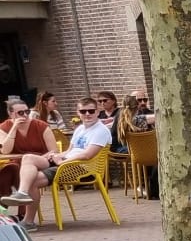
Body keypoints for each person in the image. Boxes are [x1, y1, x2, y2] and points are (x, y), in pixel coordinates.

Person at [4, 95, 113, 226]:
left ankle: (28, 220)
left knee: (31, 179)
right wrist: (56, 156)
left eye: (91, 111)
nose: (87, 114)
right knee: (28, 158)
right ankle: (22, 193)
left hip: (81, 167)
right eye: (83, 111)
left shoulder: (100, 130)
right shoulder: (80, 129)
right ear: (78, 113)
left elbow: (87, 155)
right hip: (67, 162)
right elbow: (70, 151)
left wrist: (63, 161)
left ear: (97, 112)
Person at [1, 95, 56, 201]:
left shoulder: (41, 126)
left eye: (27, 112)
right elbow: (5, 150)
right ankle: (5, 209)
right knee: (7, 172)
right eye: (21, 113)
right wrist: (14, 129)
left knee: (16, 171)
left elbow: (54, 150)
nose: (25, 115)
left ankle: (19, 207)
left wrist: (34, 159)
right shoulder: (4, 127)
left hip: (40, 162)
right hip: (17, 163)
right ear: (11, 114)